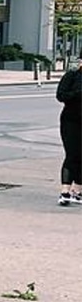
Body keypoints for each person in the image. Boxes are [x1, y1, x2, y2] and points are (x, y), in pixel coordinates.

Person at [56, 58, 81, 206]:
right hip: (71, 121)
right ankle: (65, 191)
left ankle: (77, 191)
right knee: (72, 154)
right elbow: (61, 95)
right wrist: (78, 93)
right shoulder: (71, 76)